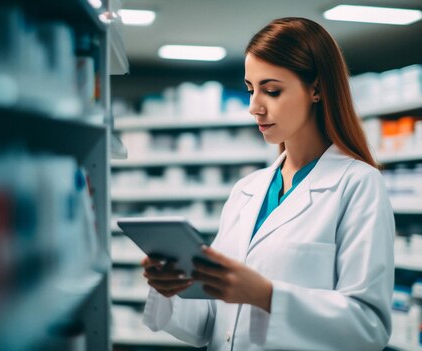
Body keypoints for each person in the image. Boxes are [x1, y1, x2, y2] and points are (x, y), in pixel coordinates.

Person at [141, 17, 395, 350]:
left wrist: (266, 295)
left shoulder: (358, 185)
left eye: (271, 91)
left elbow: (368, 327)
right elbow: (211, 325)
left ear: (316, 89)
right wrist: (171, 289)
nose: (254, 107)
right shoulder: (247, 190)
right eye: (251, 90)